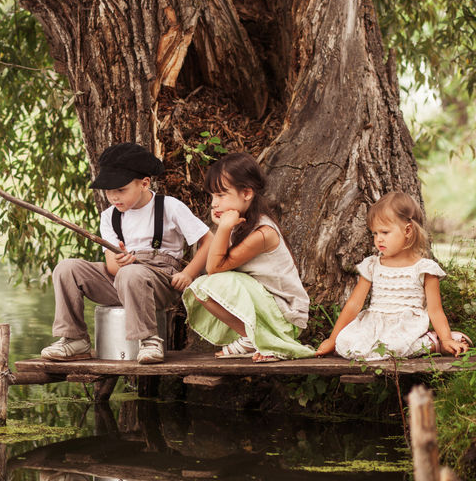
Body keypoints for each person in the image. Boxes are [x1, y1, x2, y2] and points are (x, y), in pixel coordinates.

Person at [41, 142, 214, 364]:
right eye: (108, 191)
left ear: (144, 183)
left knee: (131, 275)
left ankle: (150, 340)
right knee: (66, 268)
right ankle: (75, 339)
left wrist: (189, 273)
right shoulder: (109, 217)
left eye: (121, 190)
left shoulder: (168, 206)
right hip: (122, 278)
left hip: (160, 279)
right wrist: (121, 262)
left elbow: (208, 240)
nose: (114, 197)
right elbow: (112, 267)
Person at [182, 152, 314, 363]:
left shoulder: (262, 233)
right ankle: (250, 336)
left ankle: (262, 339)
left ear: (247, 193)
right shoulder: (238, 225)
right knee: (201, 289)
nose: (214, 204)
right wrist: (225, 228)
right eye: (212, 196)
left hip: (284, 316)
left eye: (221, 195)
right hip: (264, 307)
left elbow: (214, 268)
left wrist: (223, 228)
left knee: (207, 284)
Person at [315, 192, 472, 360]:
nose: (378, 239)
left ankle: (436, 342)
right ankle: (423, 344)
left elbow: (435, 311)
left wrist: (446, 338)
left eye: (384, 232)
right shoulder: (372, 265)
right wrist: (333, 339)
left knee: (394, 348)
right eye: (375, 233)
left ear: (408, 230)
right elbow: (354, 304)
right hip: (374, 324)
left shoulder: (424, 268)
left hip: (405, 326)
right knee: (345, 344)